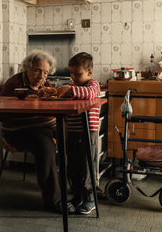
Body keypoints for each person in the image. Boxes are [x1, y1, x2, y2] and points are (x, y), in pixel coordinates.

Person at [0, 49, 74, 213]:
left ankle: (74, 189)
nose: (42, 76)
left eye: (45, 72)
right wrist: (21, 104)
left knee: (72, 138)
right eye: (38, 70)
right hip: (18, 131)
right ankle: (54, 200)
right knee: (45, 145)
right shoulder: (14, 84)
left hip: (46, 128)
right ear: (27, 68)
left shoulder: (46, 86)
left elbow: (53, 106)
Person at [56, 52, 100, 215]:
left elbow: (89, 94)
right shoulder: (73, 87)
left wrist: (70, 89)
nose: (73, 77)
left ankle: (90, 198)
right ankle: (77, 195)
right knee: (73, 166)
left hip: (88, 133)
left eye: (78, 73)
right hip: (73, 132)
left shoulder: (92, 85)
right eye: (71, 73)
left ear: (89, 72)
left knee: (87, 166)